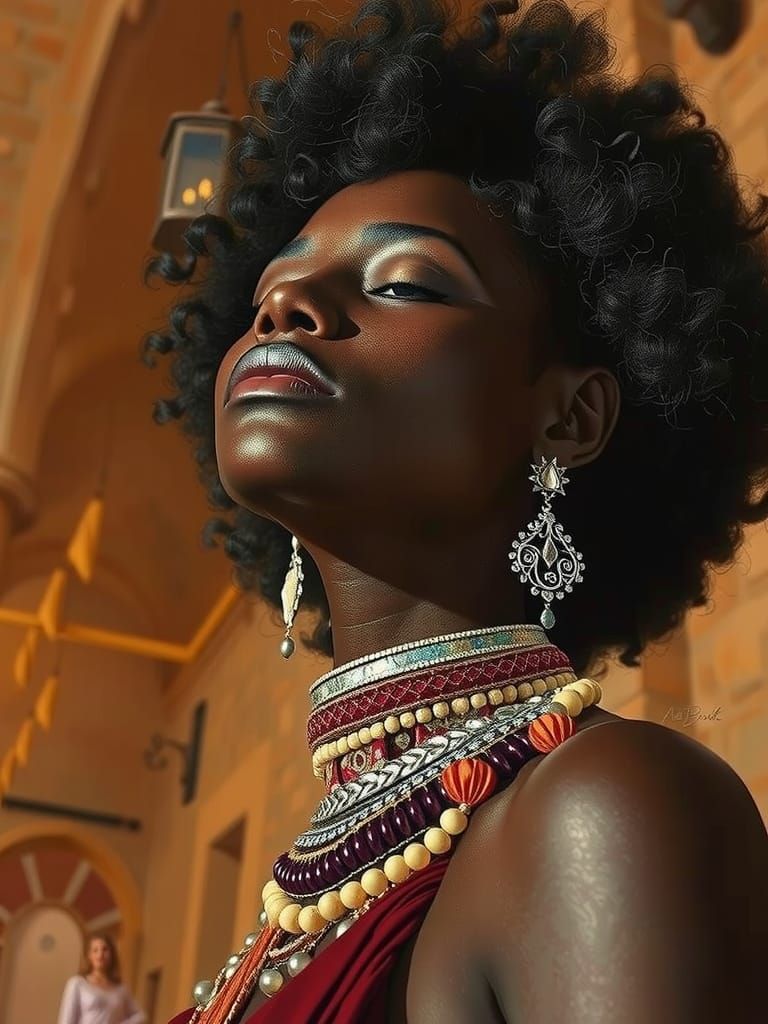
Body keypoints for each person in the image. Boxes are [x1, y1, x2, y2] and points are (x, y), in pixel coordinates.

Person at [144, 1, 768, 1020]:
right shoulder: (305, 897)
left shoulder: (599, 812)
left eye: (403, 281)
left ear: (569, 414)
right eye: (269, 290)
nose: (286, 310)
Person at [57, 932, 146, 1024]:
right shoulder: (78, 984)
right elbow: (66, 1021)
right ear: (89, 956)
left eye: (105, 949)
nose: (100, 954)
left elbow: (141, 1016)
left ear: (112, 954)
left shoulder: (121, 989)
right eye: (95, 950)